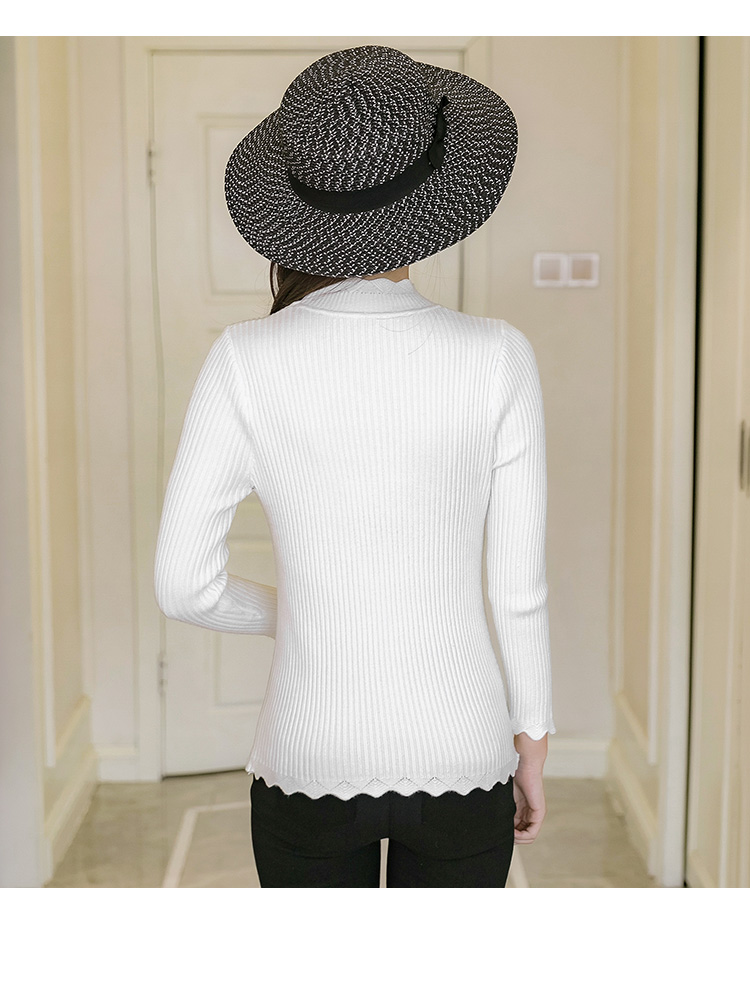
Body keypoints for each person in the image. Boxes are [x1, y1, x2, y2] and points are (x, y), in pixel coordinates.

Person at [154, 44, 556, 888]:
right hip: (463, 750)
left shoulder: (242, 358)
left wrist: (305, 613)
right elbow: (519, 590)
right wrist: (533, 742)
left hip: (306, 759)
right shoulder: (498, 355)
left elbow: (183, 586)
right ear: (436, 196)